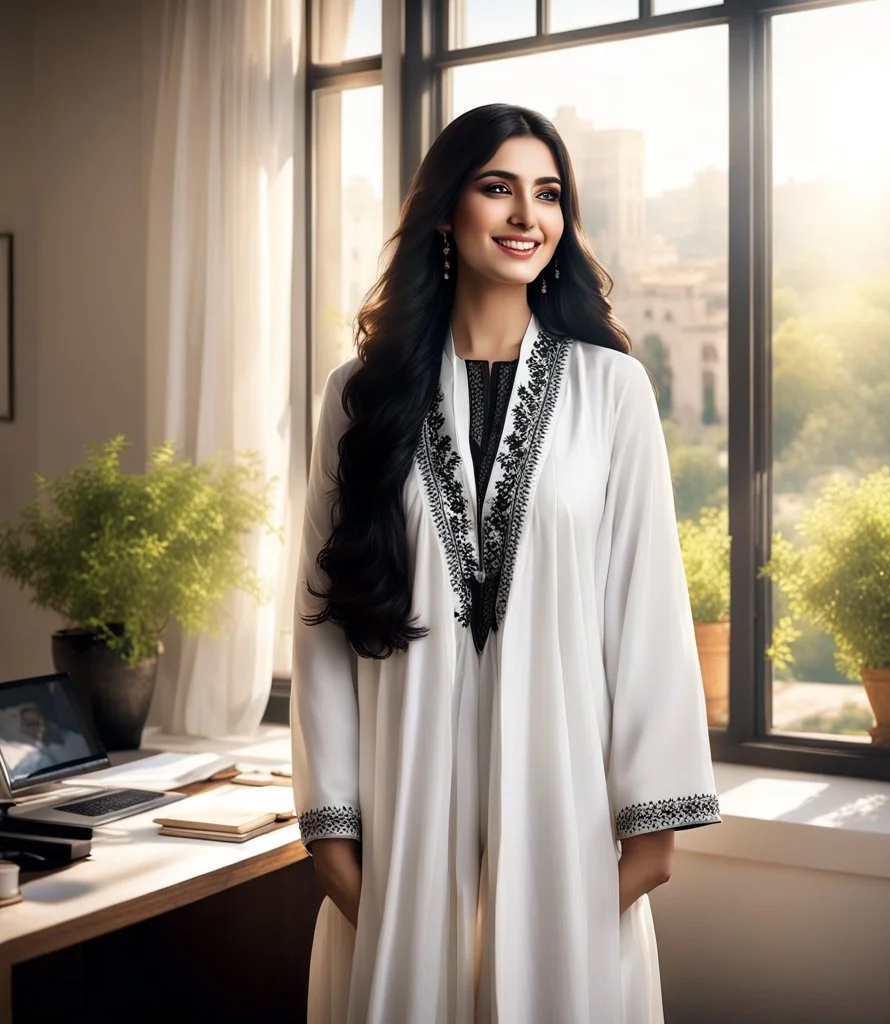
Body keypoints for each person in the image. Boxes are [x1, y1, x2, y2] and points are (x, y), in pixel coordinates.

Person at [290, 103, 720, 1024]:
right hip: (400, 838)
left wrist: (647, 845)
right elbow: (323, 619)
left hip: (565, 842)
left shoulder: (614, 391)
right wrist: (333, 836)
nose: (528, 214)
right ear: (447, 210)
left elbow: (647, 612)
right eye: (498, 187)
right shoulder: (358, 396)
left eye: (549, 194)